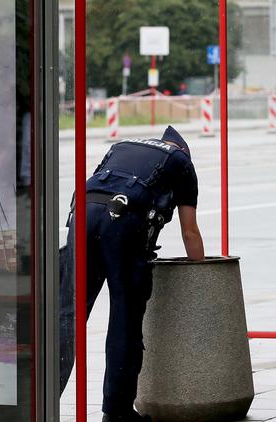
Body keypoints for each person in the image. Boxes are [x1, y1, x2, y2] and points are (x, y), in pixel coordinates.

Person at [60, 126, 204, 422]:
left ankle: (42, 399)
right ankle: (117, 412)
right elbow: (189, 231)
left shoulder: (123, 145)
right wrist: (201, 276)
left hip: (82, 217)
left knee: (67, 316)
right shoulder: (181, 162)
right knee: (124, 320)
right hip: (122, 222)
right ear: (183, 149)